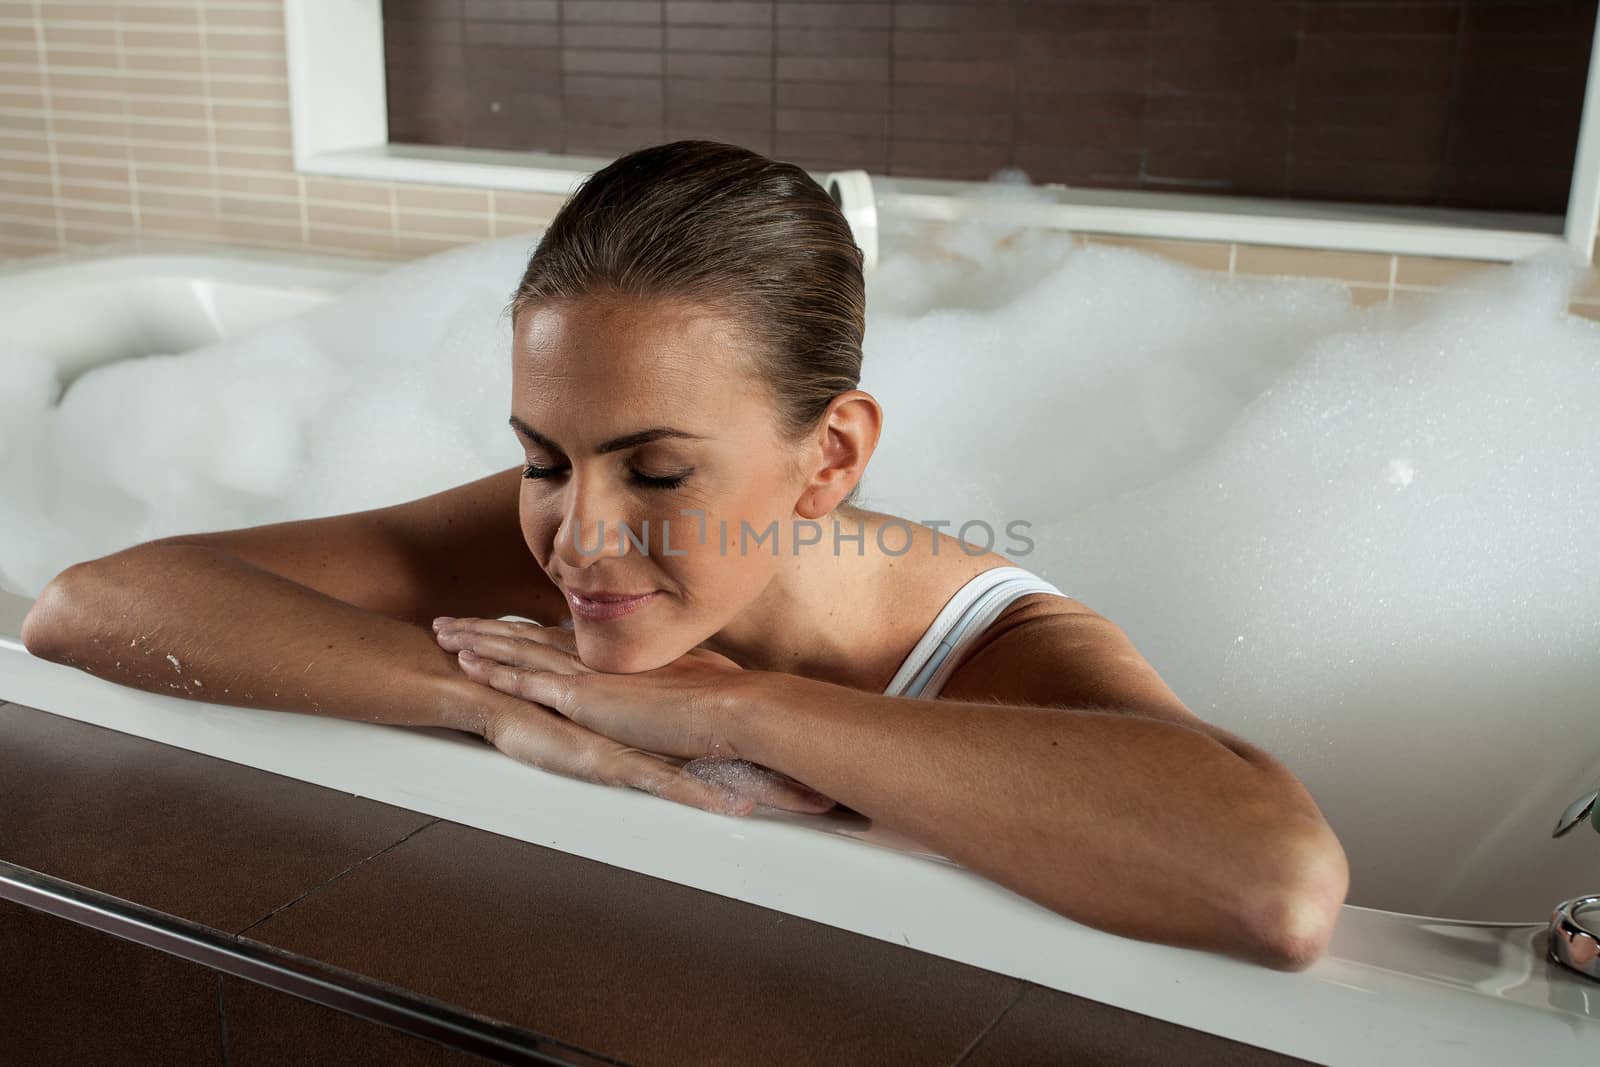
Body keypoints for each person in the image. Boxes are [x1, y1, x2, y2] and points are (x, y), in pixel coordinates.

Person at [20, 140, 1348, 972]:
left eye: (659, 472)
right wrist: (500, 702)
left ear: (830, 460)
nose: (577, 536)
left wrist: (723, 704)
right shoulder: (550, 531)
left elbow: (1278, 884)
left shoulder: (1001, 646)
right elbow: (94, 605)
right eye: (544, 457)